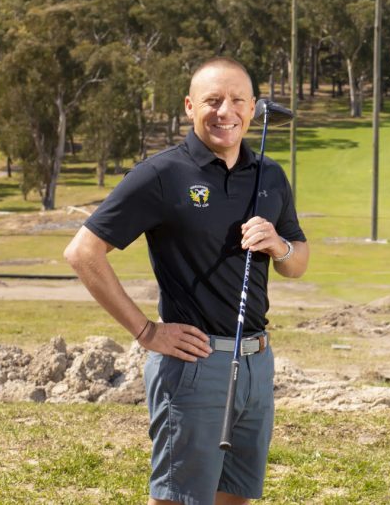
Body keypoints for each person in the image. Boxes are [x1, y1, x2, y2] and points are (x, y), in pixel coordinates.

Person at [64, 57, 309, 505]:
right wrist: (145, 331)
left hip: (257, 360)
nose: (225, 112)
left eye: (237, 100)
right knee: (181, 499)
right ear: (189, 106)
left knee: (235, 495)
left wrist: (279, 246)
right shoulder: (161, 174)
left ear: (253, 108)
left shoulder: (270, 175)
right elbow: (83, 253)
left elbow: (297, 262)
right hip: (194, 365)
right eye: (213, 101)